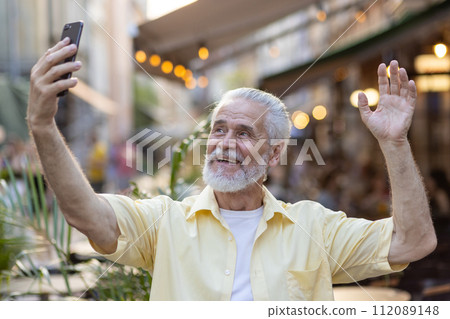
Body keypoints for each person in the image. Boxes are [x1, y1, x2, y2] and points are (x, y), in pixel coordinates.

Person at [27, 37, 436, 300]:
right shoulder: (164, 222)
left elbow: (412, 242)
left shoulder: (315, 228)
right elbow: (85, 213)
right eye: (218, 129)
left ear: (273, 155)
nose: (224, 142)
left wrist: (394, 143)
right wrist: (42, 126)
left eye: (243, 133)